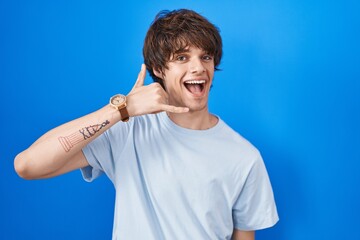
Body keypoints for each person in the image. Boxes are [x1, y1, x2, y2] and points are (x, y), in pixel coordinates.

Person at [14, 9, 278, 240]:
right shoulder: (128, 131)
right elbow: (27, 165)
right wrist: (120, 109)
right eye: (182, 57)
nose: (198, 67)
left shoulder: (245, 157)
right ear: (159, 69)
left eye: (206, 57)